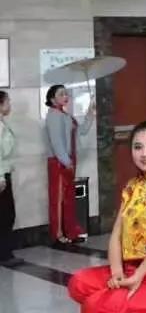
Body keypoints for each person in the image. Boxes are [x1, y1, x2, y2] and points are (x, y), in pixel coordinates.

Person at [68, 122, 146, 312]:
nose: (145, 153)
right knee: (78, 283)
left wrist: (138, 275)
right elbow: (117, 234)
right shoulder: (132, 186)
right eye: (138, 147)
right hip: (130, 266)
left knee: (95, 305)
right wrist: (117, 272)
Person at [45, 84, 95, 245]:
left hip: (68, 160)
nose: (65, 96)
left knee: (68, 198)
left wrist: (90, 112)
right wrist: (66, 162)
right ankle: (58, 234)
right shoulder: (53, 116)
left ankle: (70, 231)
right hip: (59, 162)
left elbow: (82, 130)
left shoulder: (66, 116)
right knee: (59, 199)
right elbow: (56, 143)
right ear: (52, 99)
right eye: (61, 94)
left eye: (66, 93)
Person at [0, 91, 17, 266]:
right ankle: (4, 254)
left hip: (5, 172)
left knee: (6, 214)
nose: (9, 105)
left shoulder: (2, 123)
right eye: (7, 102)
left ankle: (5, 252)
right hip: (1, 176)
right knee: (6, 215)